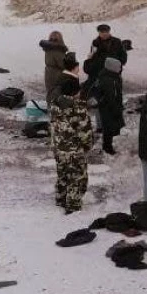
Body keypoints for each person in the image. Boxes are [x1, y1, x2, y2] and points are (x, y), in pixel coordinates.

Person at [49, 79, 94, 214]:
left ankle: (61, 198)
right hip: (75, 150)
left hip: (58, 148)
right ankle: (73, 205)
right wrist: (87, 146)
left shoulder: (55, 106)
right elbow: (85, 133)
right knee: (77, 177)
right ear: (75, 93)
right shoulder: (78, 109)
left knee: (62, 174)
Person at [90, 57, 124, 155]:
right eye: (119, 67)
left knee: (108, 127)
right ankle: (107, 147)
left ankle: (107, 146)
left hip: (105, 106)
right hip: (109, 107)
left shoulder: (107, 77)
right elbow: (112, 96)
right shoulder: (111, 80)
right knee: (109, 128)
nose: (120, 69)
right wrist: (117, 108)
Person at [40, 31, 68, 99]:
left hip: (49, 73)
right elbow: (63, 64)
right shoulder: (57, 50)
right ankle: (55, 108)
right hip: (56, 74)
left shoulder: (48, 48)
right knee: (57, 93)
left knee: (50, 92)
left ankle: (51, 106)